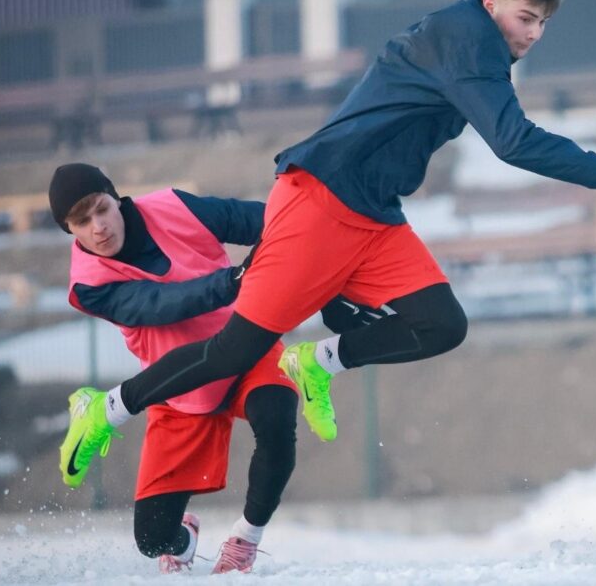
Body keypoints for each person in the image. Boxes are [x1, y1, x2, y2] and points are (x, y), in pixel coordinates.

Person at [58, 0, 596, 492]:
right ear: (491, 2)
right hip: (321, 200)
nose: (533, 34)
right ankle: (105, 408)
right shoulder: (471, 41)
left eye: (543, 24)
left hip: (372, 214)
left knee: (440, 324)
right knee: (232, 351)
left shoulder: (469, 37)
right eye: (526, 18)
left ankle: (317, 361)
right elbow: (515, 142)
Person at [49, 163, 386, 574]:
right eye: (81, 221)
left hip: (247, 348)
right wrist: (233, 280)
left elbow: (264, 221)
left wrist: (331, 270)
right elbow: (159, 304)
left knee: (278, 423)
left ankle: (244, 540)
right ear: (70, 229)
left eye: (101, 209)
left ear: (116, 198)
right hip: (180, 388)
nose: (97, 226)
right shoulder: (88, 284)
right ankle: (185, 539)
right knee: (152, 540)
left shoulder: (174, 206)